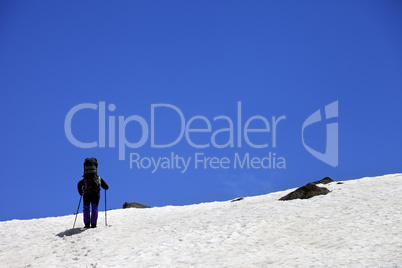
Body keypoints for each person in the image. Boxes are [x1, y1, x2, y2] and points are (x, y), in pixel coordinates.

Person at [77, 158, 109, 228]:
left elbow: (79, 184)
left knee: (86, 208)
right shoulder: (98, 178)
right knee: (94, 208)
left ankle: (87, 224)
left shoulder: (85, 179)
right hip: (95, 193)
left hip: (86, 193)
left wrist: (80, 192)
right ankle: (93, 224)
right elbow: (106, 187)